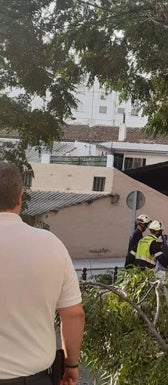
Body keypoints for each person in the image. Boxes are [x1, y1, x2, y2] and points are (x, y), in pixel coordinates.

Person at [0, 162, 85, 385]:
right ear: (20, 196)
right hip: (34, 379)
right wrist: (71, 366)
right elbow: (74, 314)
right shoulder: (50, 245)